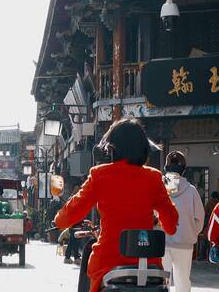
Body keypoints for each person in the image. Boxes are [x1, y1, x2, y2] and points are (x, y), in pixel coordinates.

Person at [54, 118, 179, 292]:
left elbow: (70, 214)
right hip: (150, 267)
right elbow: (172, 224)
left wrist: (58, 220)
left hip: (108, 264)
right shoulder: (154, 177)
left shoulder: (100, 175)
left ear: (112, 149)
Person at [161, 151, 205, 292]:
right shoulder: (191, 190)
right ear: (184, 169)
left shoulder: (158, 187)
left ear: (166, 167)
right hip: (185, 241)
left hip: (160, 241)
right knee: (183, 280)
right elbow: (199, 217)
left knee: (162, 280)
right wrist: (191, 232)